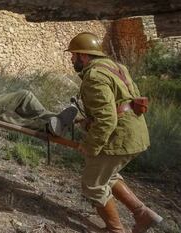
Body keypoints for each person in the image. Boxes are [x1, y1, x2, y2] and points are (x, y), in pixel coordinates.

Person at [66, 32, 162, 233]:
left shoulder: (94, 76)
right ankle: (143, 214)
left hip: (119, 136)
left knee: (92, 184)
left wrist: (91, 146)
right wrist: (90, 120)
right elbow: (124, 101)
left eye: (74, 55)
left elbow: (108, 119)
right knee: (107, 175)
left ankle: (116, 230)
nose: (72, 59)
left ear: (84, 56)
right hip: (135, 132)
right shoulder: (116, 67)